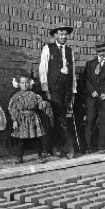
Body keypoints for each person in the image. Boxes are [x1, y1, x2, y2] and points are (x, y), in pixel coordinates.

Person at [39, 25, 77, 158]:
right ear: (55, 36)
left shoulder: (70, 51)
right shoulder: (48, 48)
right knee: (56, 119)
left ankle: (60, 147)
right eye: (60, 34)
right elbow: (43, 69)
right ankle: (62, 148)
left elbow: (72, 73)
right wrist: (45, 89)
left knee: (63, 118)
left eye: (65, 34)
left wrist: (73, 91)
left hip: (65, 90)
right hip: (53, 89)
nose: (63, 37)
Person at [8, 73, 53, 164]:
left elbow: (40, 103)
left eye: (26, 82)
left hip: (33, 118)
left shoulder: (34, 95)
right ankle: (19, 157)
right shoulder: (15, 97)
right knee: (21, 140)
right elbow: (12, 109)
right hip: (22, 119)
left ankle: (40, 156)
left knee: (37, 138)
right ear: (19, 84)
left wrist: (44, 104)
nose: (24, 84)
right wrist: (15, 120)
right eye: (22, 83)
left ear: (29, 83)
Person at [83, 41, 105, 153]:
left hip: (104, 98)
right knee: (90, 120)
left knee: (103, 122)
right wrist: (91, 90)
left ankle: (101, 146)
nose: (101, 53)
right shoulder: (90, 64)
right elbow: (86, 79)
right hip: (92, 98)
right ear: (96, 52)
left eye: (103, 51)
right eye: (99, 51)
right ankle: (87, 146)